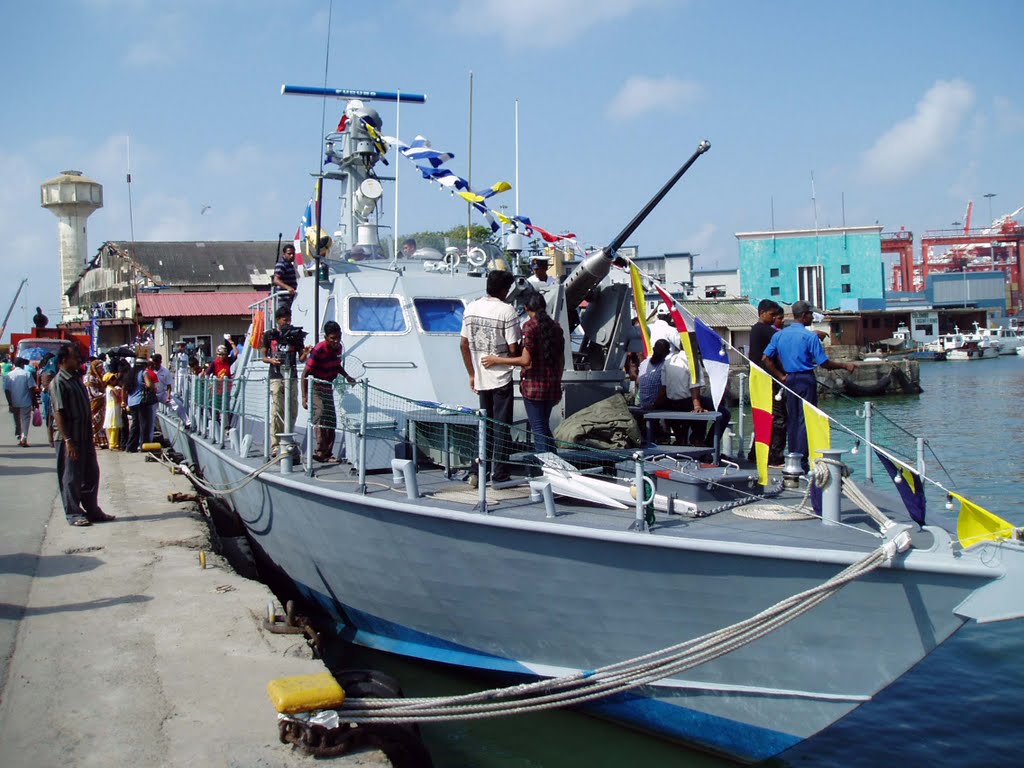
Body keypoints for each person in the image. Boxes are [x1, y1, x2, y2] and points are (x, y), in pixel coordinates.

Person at [761, 300, 856, 471]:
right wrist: (845, 365)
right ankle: (803, 463)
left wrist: (781, 376)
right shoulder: (810, 336)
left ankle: (793, 459)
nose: (812, 317)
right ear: (804, 316)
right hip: (806, 380)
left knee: (792, 420)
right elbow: (824, 363)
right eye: (811, 314)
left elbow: (765, 358)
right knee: (805, 421)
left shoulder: (779, 335)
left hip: (789, 381)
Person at [482, 292, 565, 453]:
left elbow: (525, 361)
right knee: (544, 425)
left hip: (534, 386)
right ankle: (555, 461)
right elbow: (561, 361)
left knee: (538, 427)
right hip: (552, 385)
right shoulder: (556, 327)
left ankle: (548, 466)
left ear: (526, 308)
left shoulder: (529, 327)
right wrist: (558, 383)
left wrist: (496, 360)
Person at [460, 270, 522, 485]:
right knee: (501, 427)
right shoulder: (507, 311)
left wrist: (471, 373)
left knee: (484, 425)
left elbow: (463, 344)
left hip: (480, 378)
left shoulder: (471, 308)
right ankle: (500, 473)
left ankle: (478, 469)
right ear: (505, 290)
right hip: (501, 378)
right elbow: (514, 348)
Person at [50, 344, 114, 527]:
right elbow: (59, 413)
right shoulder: (59, 382)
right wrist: (68, 441)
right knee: (71, 476)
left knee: (91, 473)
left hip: (85, 436)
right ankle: (73, 513)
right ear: (64, 361)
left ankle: (92, 509)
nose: (78, 359)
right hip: (70, 438)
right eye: (74, 357)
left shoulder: (76, 379)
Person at [654, 343, 732, 448]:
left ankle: (685, 439)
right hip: (687, 402)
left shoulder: (668, 362)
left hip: (671, 403)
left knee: (702, 406)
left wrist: (655, 405)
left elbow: (663, 388)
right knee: (724, 414)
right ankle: (707, 443)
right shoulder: (692, 361)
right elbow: (694, 386)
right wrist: (697, 405)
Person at [302, 320, 356, 463]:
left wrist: (347, 376)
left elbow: (337, 365)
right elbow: (305, 374)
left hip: (328, 387)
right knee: (319, 415)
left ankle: (328, 453)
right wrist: (304, 396)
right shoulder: (318, 350)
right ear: (326, 337)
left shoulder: (338, 348)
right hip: (316, 388)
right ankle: (320, 451)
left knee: (331, 419)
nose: (336, 341)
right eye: (332, 338)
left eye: (338, 337)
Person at [263, 307, 308, 456]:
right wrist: (271, 360)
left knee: (292, 409)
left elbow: (301, 358)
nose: (287, 322)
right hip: (276, 376)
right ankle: (275, 444)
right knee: (277, 410)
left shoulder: (296, 336)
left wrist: (306, 353)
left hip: (292, 376)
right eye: (284, 319)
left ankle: (288, 437)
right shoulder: (269, 335)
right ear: (278, 320)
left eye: (289, 319)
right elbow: (264, 357)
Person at [747, 299, 787, 467]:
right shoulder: (762, 330)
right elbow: (782, 338)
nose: (774, 318)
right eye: (772, 315)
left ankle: (755, 454)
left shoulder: (762, 330)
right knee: (778, 418)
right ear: (762, 313)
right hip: (766, 380)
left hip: (764, 379)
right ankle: (775, 458)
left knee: (766, 417)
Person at [4, 357, 37, 447]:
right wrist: (34, 401)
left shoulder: (9, 375)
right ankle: (24, 438)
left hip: (14, 401)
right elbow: (31, 389)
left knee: (17, 419)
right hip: (25, 401)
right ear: (22, 365)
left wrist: (10, 403)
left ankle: (19, 435)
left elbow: (7, 390)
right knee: (25, 420)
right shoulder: (27, 374)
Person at [86, 359, 108, 448]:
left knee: (100, 422)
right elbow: (92, 393)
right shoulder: (89, 378)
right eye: (100, 368)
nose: (102, 369)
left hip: (100, 402)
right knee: (95, 421)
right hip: (94, 402)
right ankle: (93, 440)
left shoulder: (98, 376)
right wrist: (105, 394)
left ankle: (101, 441)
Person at [102, 372, 125, 450]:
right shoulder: (111, 389)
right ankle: (113, 443)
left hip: (112, 407)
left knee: (113, 426)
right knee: (114, 426)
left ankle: (114, 443)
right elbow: (118, 397)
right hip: (113, 408)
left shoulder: (109, 388)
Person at [273, 244, 299, 311]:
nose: (292, 255)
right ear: (284, 254)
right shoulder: (281, 264)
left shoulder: (290, 265)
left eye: (293, 254)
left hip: (290, 298)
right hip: (283, 299)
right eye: (289, 254)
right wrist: (288, 287)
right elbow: (276, 280)